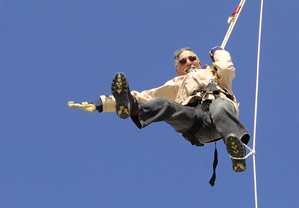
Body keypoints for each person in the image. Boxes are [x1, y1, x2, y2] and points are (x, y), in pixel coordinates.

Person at [68, 46, 250, 173]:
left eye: (192, 58)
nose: (189, 62)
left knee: (220, 106)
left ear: (199, 61)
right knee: (164, 104)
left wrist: (219, 51)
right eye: (183, 61)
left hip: (220, 119)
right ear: (178, 69)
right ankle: (131, 109)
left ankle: (236, 150)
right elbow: (145, 96)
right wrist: (101, 103)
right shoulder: (175, 84)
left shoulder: (214, 74)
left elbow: (226, 67)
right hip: (193, 123)